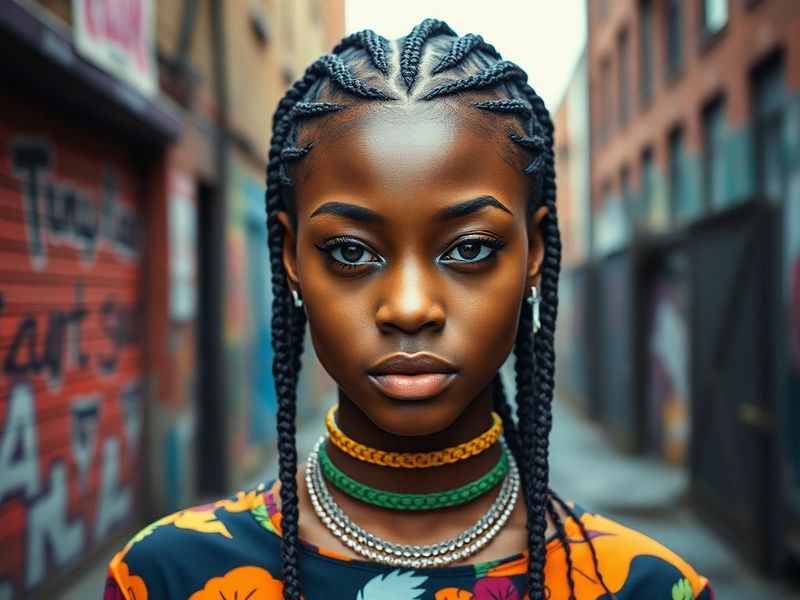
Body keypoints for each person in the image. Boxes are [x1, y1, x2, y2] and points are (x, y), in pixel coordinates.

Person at [104, 19, 714, 600]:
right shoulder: (169, 578)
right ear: (291, 257)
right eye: (350, 251)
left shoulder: (643, 586)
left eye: (470, 248)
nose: (410, 308)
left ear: (534, 254)